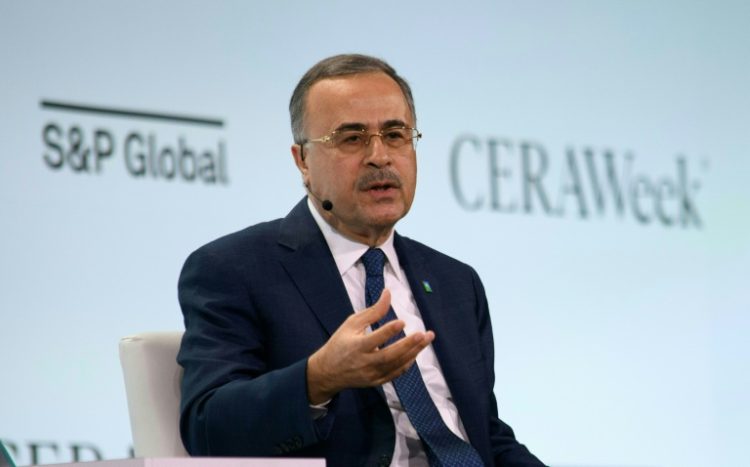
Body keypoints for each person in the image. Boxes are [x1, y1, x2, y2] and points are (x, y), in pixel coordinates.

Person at [177, 54, 545, 467]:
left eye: (395, 134)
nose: (379, 156)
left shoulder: (456, 282)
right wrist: (318, 378)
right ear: (302, 161)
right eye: (351, 138)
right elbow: (207, 428)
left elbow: (484, 435)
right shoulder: (235, 269)